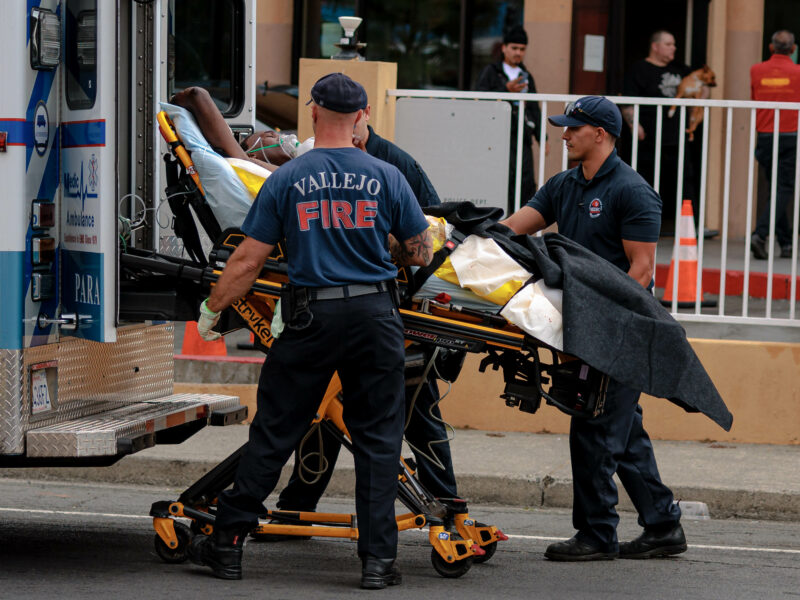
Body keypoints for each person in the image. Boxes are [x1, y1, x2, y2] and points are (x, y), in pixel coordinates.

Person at [187, 73, 433, 589]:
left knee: (276, 431)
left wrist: (213, 310)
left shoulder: (287, 178)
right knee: (378, 440)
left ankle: (228, 545)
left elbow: (248, 261)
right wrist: (379, 246)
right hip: (374, 318)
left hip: (310, 318)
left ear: (313, 113)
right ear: (362, 116)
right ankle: (376, 562)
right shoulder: (388, 176)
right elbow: (420, 252)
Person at [502, 96, 686, 561]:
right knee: (621, 431)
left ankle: (596, 534)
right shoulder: (564, 184)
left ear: (600, 134)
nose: (564, 134)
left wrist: (606, 331)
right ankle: (663, 524)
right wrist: (470, 237)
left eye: (573, 128)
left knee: (594, 428)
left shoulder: (632, 191)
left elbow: (641, 271)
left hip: (620, 331)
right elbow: (515, 228)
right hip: (580, 327)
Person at [272, 102, 462, 519]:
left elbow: (431, 232)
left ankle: (446, 500)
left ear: (361, 118)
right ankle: (297, 503)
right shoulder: (317, 161)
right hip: (356, 307)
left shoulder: (395, 165)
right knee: (324, 403)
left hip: (391, 305)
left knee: (414, 404)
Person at [622, 31, 715, 238]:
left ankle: (690, 228)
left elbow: (703, 86)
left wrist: (701, 95)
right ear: (655, 46)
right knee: (644, 183)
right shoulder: (639, 69)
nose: (674, 48)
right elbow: (628, 101)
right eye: (668, 44)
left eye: (674, 44)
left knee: (685, 182)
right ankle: (640, 227)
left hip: (677, 137)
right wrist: (633, 124)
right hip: (649, 139)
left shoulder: (681, 69)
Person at [475, 26, 544, 212]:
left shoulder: (527, 76)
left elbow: (534, 108)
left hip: (523, 137)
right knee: (501, 181)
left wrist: (541, 137)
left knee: (526, 183)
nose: (518, 53)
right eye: (514, 48)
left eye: (522, 49)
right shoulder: (491, 71)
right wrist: (506, 91)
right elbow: (479, 99)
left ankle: (522, 228)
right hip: (496, 139)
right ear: (504, 48)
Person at [749, 29, 800, 260]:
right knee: (783, 188)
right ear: (793, 49)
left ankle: (786, 243)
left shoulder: (756, 70)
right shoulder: (798, 72)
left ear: (771, 48)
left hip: (766, 135)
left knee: (776, 189)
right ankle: (760, 235)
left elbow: (754, 98)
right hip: (790, 135)